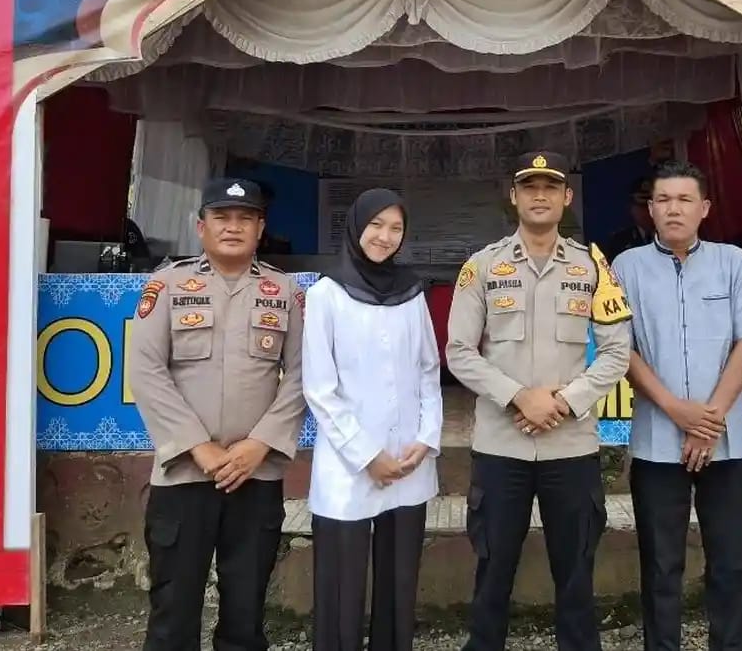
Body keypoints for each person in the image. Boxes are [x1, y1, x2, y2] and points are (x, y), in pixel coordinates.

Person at [446, 151, 632, 651]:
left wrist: (564, 403)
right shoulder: (482, 266)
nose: (540, 196)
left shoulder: (593, 267)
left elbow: (617, 352)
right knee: (493, 569)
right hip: (501, 446)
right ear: (514, 196)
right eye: (530, 187)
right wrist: (518, 398)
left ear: (567, 197)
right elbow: (459, 351)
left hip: (570, 446)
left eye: (550, 187)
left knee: (576, 572)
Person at [128, 177, 306, 651]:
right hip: (185, 475)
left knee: (245, 614)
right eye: (221, 217)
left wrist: (260, 444)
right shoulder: (166, 286)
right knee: (173, 613)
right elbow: (145, 371)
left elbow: (302, 376)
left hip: (255, 474)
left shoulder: (284, 291)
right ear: (200, 227)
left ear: (260, 228)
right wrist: (198, 446)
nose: (233, 227)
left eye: (245, 218)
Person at [610, 160, 742, 651]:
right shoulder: (626, 267)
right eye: (663, 200)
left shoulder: (732, 262)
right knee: (661, 564)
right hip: (657, 442)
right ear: (650, 209)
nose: (673, 209)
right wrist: (675, 410)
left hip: (727, 441)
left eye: (684, 199)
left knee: (731, 563)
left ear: (704, 208)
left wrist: (709, 420)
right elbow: (623, 350)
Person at [302, 188, 443, 651]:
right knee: (341, 591)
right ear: (356, 226)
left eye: (396, 228)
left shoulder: (411, 293)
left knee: (399, 586)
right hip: (349, 467)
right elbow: (320, 389)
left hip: (408, 460)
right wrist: (367, 456)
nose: (385, 236)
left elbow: (429, 370)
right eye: (376, 225)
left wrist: (426, 438)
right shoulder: (326, 294)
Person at [602, 177, 655, 264]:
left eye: (651, 206)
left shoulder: (671, 239)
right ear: (632, 208)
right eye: (642, 206)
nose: (647, 211)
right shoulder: (619, 242)